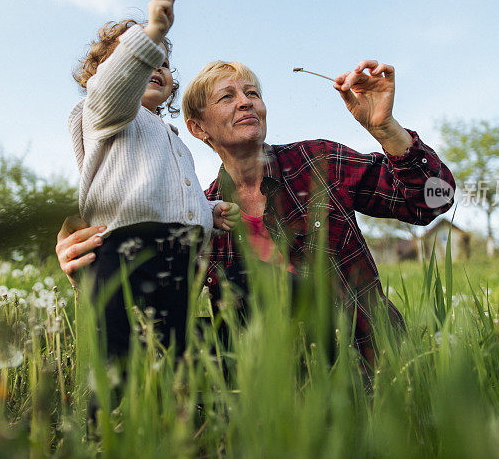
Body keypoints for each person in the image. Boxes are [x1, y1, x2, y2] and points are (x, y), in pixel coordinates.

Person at [58, 56, 455, 366]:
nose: (245, 102)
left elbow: (432, 201)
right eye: (226, 96)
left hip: (368, 358)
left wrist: (385, 127)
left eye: (252, 93)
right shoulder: (197, 214)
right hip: (270, 374)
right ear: (197, 129)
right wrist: (87, 267)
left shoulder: (317, 161)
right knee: (170, 336)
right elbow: (146, 306)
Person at [66, 0, 239, 359]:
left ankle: (170, 407)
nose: (155, 66)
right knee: (119, 349)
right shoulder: (103, 114)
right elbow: (114, 85)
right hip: (123, 247)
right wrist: (153, 32)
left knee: (170, 346)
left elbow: (170, 196)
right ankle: (112, 413)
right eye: (146, 60)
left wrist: (209, 211)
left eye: (162, 62)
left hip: (178, 253)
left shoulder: (171, 138)